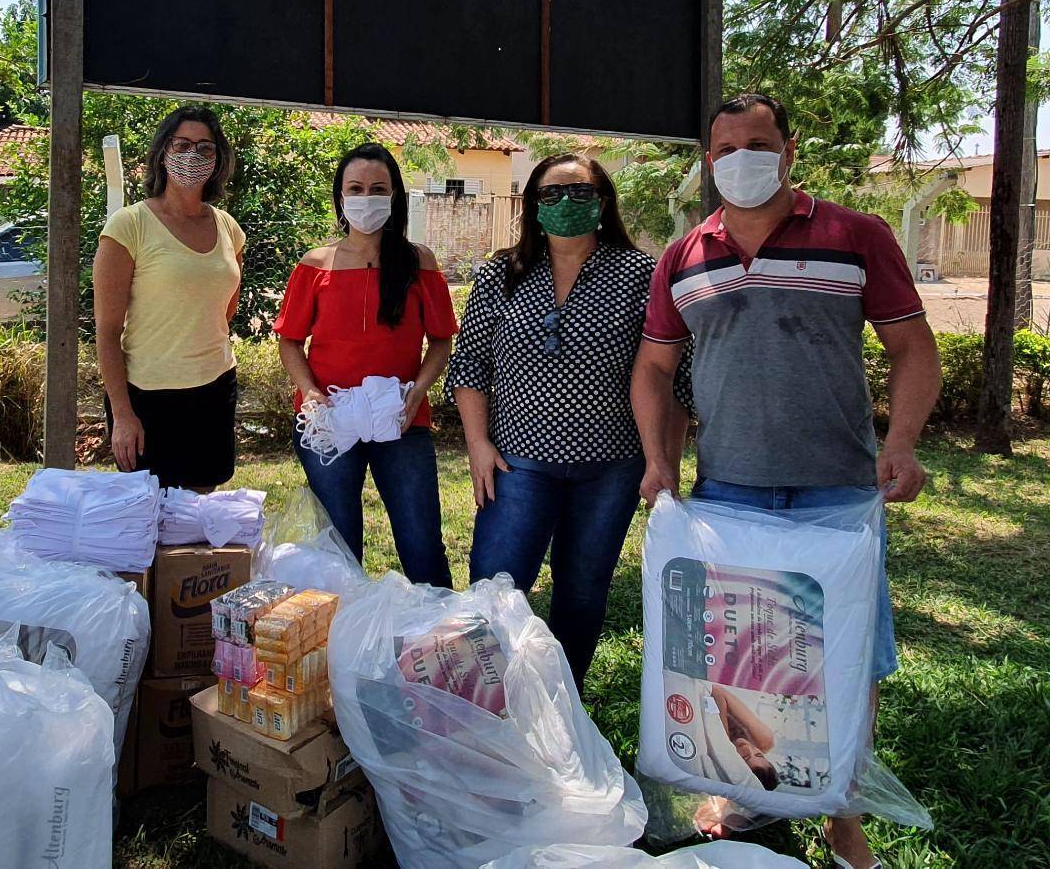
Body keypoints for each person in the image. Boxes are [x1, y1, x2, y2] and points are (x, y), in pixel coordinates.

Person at [631, 92, 942, 869]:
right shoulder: (684, 257)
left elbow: (913, 348)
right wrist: (660, 462)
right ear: (710, 161)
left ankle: (841, 815)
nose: (743, 159)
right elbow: (654, 369)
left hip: (837, 491)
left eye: (759, 143)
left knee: (844, 657)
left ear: (789, 149)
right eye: (728, 148)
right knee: (737, 655)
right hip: (728, 493)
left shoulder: (856, 236)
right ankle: (745, 787)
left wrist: (901, 443)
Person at [446, 153, 691, 691]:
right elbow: (469, 366)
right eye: (550, 195)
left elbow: (672, 376)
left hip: (611, 466)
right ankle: (487, 699)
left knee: (582, 592)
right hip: (518, 461)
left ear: (603, 203)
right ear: (533, 207)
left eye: (578, 193)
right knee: (496, 584)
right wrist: (477, 444)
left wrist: (663, 462)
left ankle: (562, 703)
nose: (564, 204)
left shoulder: (640, 275)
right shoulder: (500, 274)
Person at [275, 142, 456, 587]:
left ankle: (439, 638)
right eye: (355, 188)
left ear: (394, 196)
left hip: (403, 420)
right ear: (339, 196)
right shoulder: (314, 264)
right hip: (328, 422)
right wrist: (312, 393)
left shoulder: (419, 262)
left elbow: (441, 342)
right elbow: (290, 341)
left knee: (421, 542)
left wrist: (418, 390)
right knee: (339, 547)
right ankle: (345, 640)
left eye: (378, 188)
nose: (366, 197)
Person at [93, 105, 245, 490]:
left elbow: (225, 308)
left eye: (205, 148)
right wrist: (123, 415)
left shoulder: (228, 227)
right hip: (147, 399)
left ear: (218, 159)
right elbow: (107, 333)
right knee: (148, 523)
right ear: (163, 152)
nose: (193, 155)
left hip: (213, 388)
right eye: (183, 145)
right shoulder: (129, 225)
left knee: (198, 520)